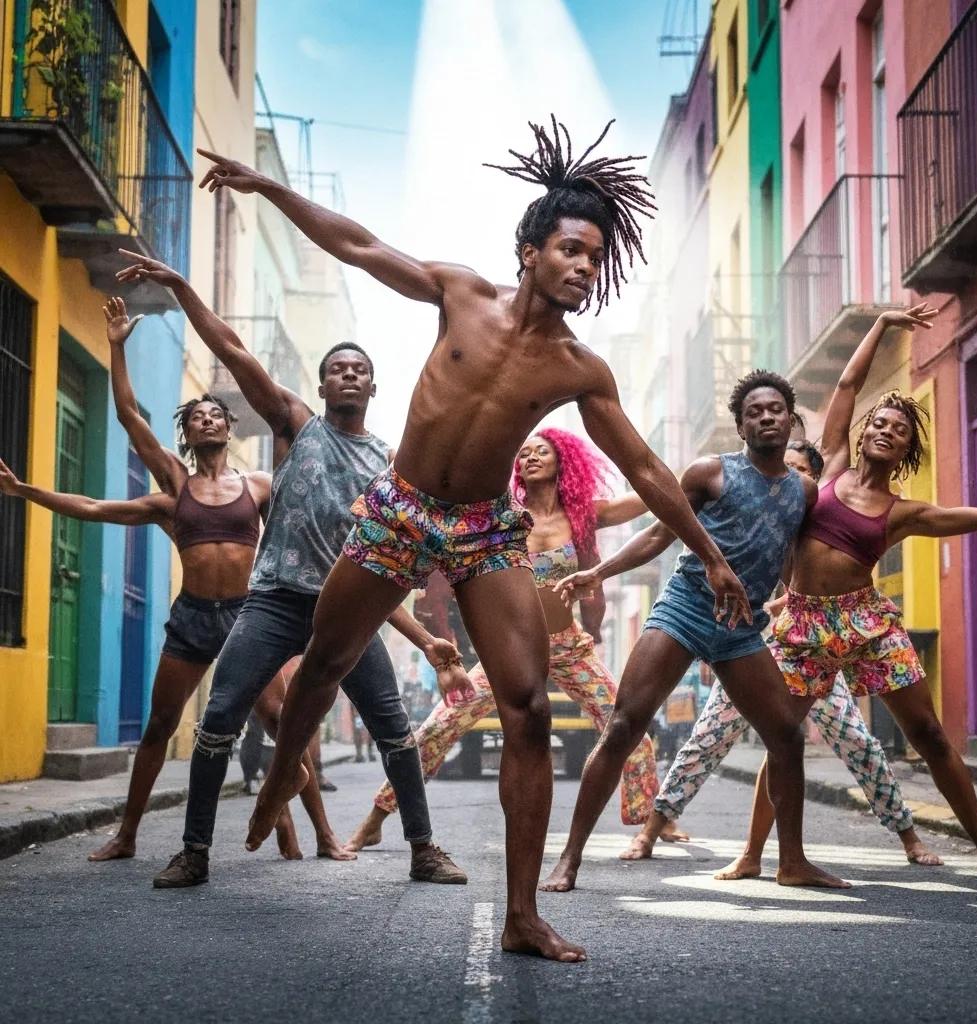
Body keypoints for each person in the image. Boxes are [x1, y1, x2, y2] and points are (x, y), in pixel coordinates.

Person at [194, 118, 752, 963]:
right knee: (326, 662)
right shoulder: (460, 293)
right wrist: (270, 188)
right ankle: (281, 772)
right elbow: (357, 244)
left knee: (526, 710)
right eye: (570, 248)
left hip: (486, 530)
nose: (582, 267)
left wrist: (709, 554)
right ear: (530, 249)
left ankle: (522, 915)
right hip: (400, 506)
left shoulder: (578, 368)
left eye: (595, 258)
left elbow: (641, 465)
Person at [113, 254, 469, 890]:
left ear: (372, 387)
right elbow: (234, 349)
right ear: (324, 387)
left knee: (392, 726)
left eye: (359, 369)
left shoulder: (390, 468)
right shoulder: (297, 426)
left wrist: (425, 638)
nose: (348, 375)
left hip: (349, 614)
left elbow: (386, 570)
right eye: (337, 370)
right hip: (275, 602)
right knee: (220, 713)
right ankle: (194, 852)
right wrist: (183, 288)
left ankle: (424, 848)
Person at [0, 297, 342, 862]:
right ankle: (128, 835)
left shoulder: (257, 486)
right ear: (185, 434)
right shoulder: (172, 489)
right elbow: (108, 465)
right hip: (191, 621)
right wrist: (27, 491)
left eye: (215, 415)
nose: (207, 419)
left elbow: (307, 519)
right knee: (159, 725)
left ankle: (318, 833)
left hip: (246, 620)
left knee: (283, 721)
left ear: (229, 428)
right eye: (196, 417)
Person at [727, 304, 977, 884]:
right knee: (783, 738)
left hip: (868, 623)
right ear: (863, 434)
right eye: (880, 423)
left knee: (930, 735)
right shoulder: (829, 464)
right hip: (804, 623)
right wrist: (883, 325)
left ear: (907, 448)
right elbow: (847, 383)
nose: (886, 429)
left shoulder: (904, 512)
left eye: (900, 428)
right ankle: (756, 854)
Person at [541, 370, 851, 893]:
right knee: (623, 726)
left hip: (742, 628)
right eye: (754, 412)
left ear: (791, 418)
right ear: (740, 426)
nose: (767, 417)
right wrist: (600, 572)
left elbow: (789, 560)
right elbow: (661, 532)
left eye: (775, 409)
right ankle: (569, 857)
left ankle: (792, 861)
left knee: (786, 737)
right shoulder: (710, 473)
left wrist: (801, 608)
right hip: (685, 610)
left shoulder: (804, 491)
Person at [343, 428, 677, 854]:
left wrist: (687, 479)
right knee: (439, 726)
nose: (530, 457)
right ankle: (376, 817)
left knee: (628, 726)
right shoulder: (503, 514)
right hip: (515, 648)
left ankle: (652, 822)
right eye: (522, 453)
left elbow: (651, 497)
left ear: (563, 462)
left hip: (568, 646)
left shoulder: (583, 514)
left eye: (542, 451)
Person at [621, 438, 941, 869]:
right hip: (751, 650)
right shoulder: (754, 521)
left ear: (811, 482)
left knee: (857, 741)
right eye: (783, 466)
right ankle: (651, 830)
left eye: (800, 471)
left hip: (813, 651)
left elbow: (816, 585)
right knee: (708, 737)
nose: (785, 478)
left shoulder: (815, 524)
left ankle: (908, 836)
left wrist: (790, 602)